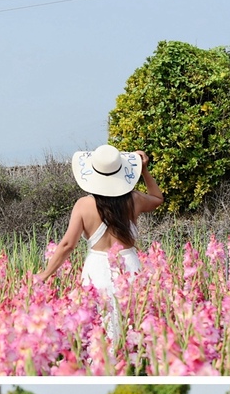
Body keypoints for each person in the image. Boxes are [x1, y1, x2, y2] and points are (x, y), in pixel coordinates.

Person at [39, 144, 164, 337]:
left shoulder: (83, 205)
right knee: (132, 323)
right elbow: (157, 198)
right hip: (128, 266)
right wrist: (144, 171)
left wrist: (44, 275)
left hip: (96, 269)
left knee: (98, 327)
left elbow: (67, 245)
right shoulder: (134, 199)